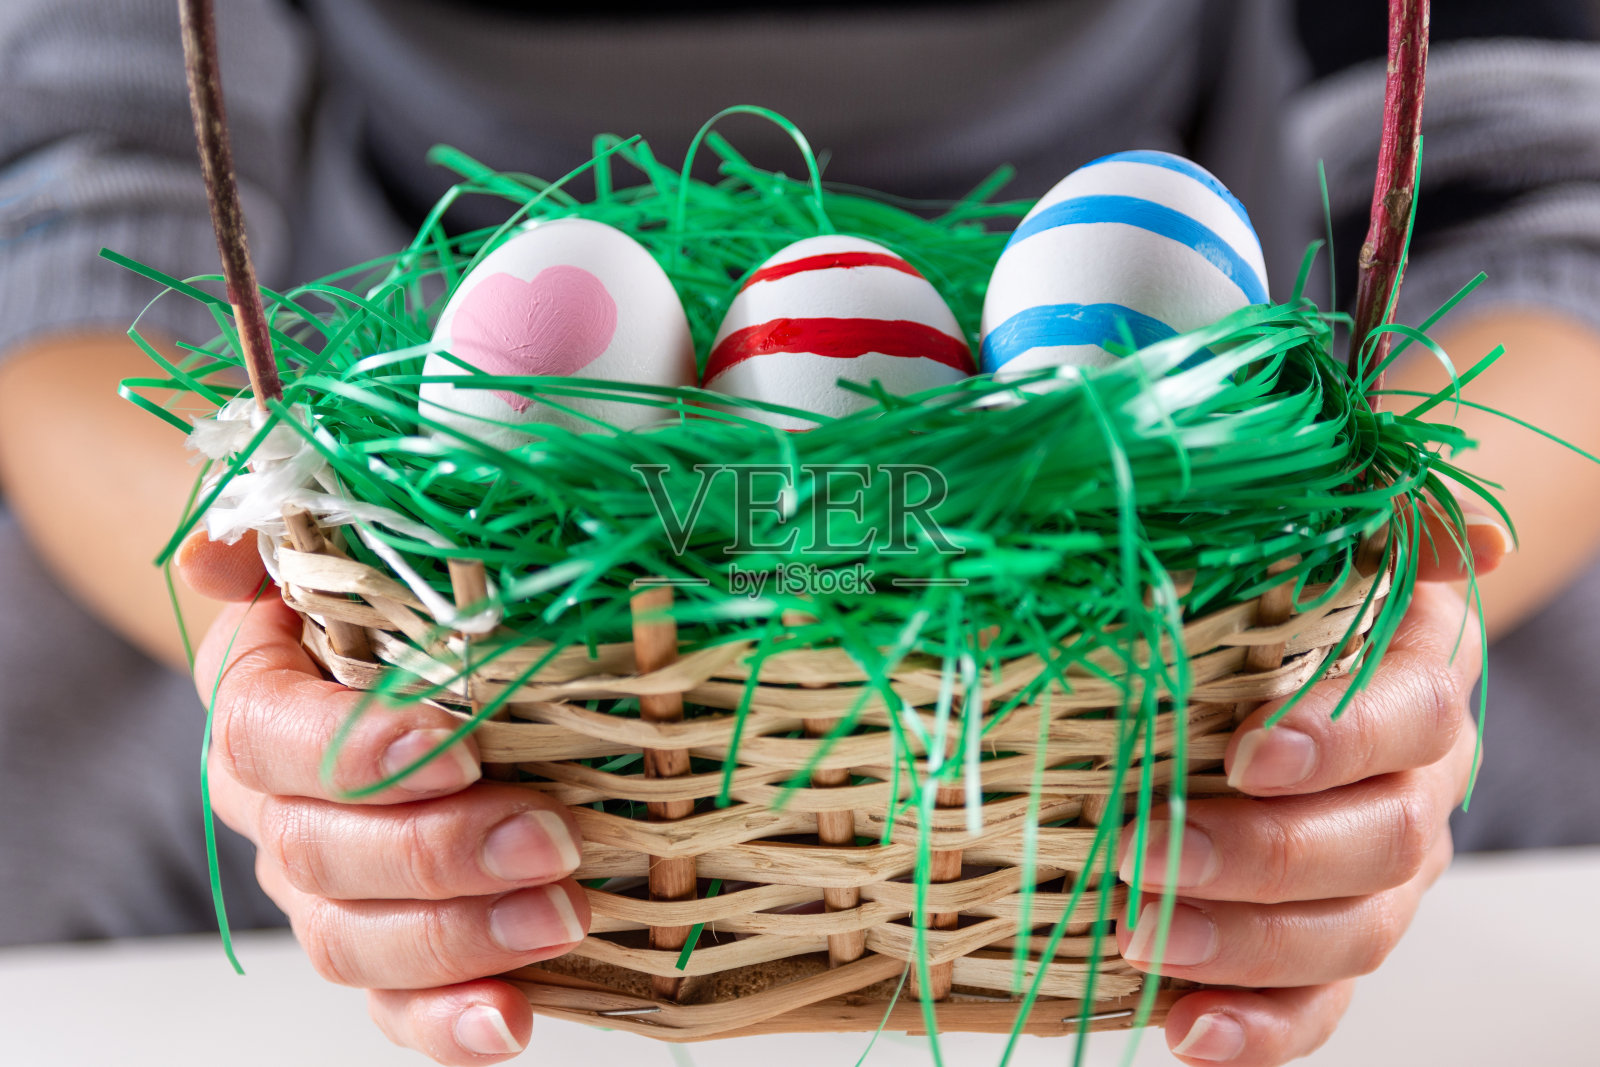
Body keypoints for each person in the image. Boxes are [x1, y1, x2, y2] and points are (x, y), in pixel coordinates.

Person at [0, 1, 1596, 1064]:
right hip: (447, 516)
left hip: (1173, 568)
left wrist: (1362, 594)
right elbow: (82, 233)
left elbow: (1538, 212)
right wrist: (299, 609)